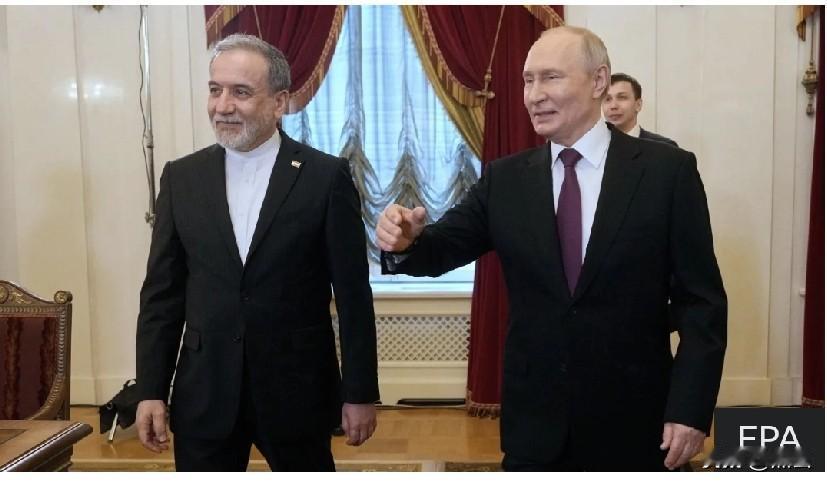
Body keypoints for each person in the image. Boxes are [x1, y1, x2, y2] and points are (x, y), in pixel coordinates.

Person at [377, 26, 726, 471]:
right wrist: (407, 241)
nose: (534, 95)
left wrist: (690, 409)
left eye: (551, 78)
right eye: (528, 80)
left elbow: (702, 305)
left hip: (637, 423)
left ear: (598, 81)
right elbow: (441, 248)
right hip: (535, 428)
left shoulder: (667, 173)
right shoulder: (506, 179)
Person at [135, 34, 379, 472]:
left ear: (279, 102)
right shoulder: (181, 178)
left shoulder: (325, 178)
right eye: (215, 90)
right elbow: (161, 296)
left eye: (241, 92)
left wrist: (359, 392)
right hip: (205, 390)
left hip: (296, 391)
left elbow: (353, 296)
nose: (222, 106)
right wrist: (151, 389)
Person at [603, 72, 678, 146]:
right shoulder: (596, 145)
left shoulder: (664, 147)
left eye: (622, 97)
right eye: (607, 99)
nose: (613, 106)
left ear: (638, 105)